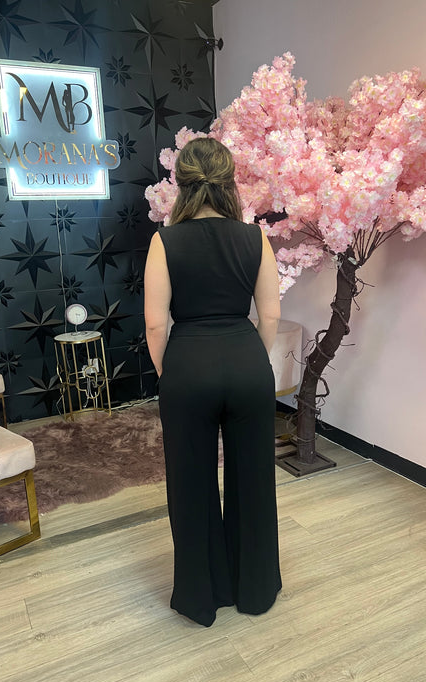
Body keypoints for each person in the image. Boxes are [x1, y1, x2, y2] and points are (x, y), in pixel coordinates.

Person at [144, 137, 282, 627]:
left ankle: (202, 597)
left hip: (188, 366)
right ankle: (255, 590)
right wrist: (251, 359)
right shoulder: (255, 238)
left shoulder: (165, 241)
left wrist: (169, 372)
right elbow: (270, 315)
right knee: (254, 480)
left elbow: (156, 325)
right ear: (229, 182)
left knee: (191, 483)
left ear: (181, 183)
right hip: (247, 364)